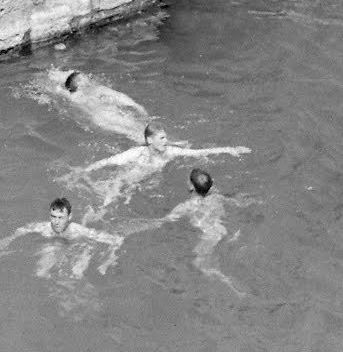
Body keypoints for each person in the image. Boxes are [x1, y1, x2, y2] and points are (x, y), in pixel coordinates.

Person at [62, 121, 250, 210]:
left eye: (165, 137)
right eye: (161, 138)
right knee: (116, 190)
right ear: (150, 141)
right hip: (129, 178)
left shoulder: (170, 152)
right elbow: (110, 161)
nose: (166, 141)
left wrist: (230, 149)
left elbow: (198, 153)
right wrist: (85, 170)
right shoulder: (137, 153)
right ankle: (101, 210)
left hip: (148, 181)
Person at [166, 168, 253, 294]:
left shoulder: (187, 207)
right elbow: (237, 202)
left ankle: (235, 289)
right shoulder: (217, 197)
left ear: (191, 186)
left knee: (200, 265)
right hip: (225, 231)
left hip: (210, 237)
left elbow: (164, 221)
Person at [0, 196, 123, 278]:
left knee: (76, 274)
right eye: (53, 217)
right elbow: (23, 229)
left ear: (69, 217)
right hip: (53, 246)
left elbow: (113, 239)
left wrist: (109, 259)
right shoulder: (43, 228)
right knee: (40, 273)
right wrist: (4, 242)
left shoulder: (77, 230)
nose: (56, 221)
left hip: (75, 246)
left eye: (61, 217)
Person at [48, 69, 150, 142]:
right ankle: (151, 139)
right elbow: (120, 96)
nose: (87, 78)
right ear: (80, 83)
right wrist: (137, 106)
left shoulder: (74, 96)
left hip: (97, 118)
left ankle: (143, 139)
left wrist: (58, 79)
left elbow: (58, 89)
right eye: (84, 77)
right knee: (137, 127)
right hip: (107, 111)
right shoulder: (97, 89)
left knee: (129, 132)